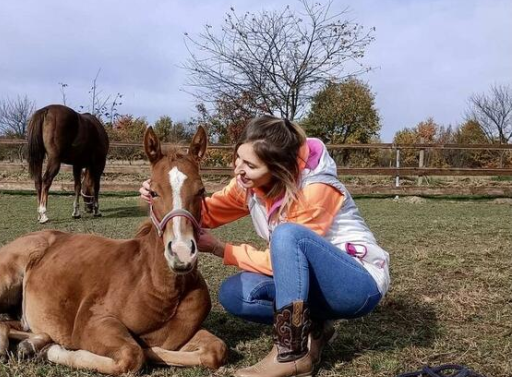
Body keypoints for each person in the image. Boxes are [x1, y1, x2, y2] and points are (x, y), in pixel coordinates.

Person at [140, 116, 390, 377]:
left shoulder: (316, 189)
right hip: (312, 282)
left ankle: (291, 353)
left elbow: (281, 258)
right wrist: (163, 193)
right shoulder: (251, 184)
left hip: (357, 284)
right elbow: (206, 212)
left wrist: (220, 249)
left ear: (276, 166)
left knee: (287, 236)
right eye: (238, 158)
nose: (238, 169)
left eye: (250, 165)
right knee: (235, 294)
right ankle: (314, 328)